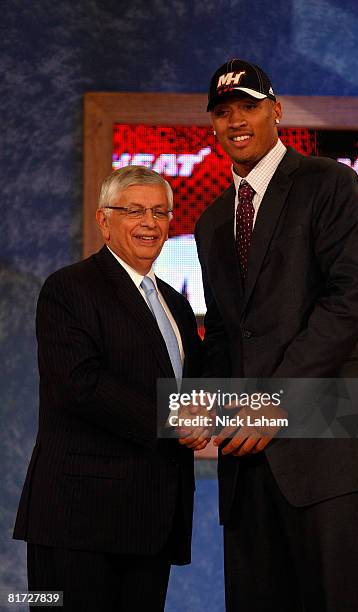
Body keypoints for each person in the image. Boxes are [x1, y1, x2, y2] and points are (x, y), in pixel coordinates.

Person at [194, 59, 358, 611]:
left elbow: (352, 297)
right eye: (224, 111)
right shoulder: (210, 221)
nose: (237, 120)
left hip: (325, 447)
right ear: (213, 125)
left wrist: (271, 400)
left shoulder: (329, 182)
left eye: (249, 107)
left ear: (276, 111)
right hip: (247, 465)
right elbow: (224, 336)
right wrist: (199, 407)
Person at [13, 166, 203, 611]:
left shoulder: (175, 302)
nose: (150, 223)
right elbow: (81, 385)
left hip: (152, 521)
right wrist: (175, 420)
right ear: (104, 220)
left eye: (160, 212)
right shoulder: (69, 288)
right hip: (78, 521)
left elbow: (190, 387)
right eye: (134, 211)